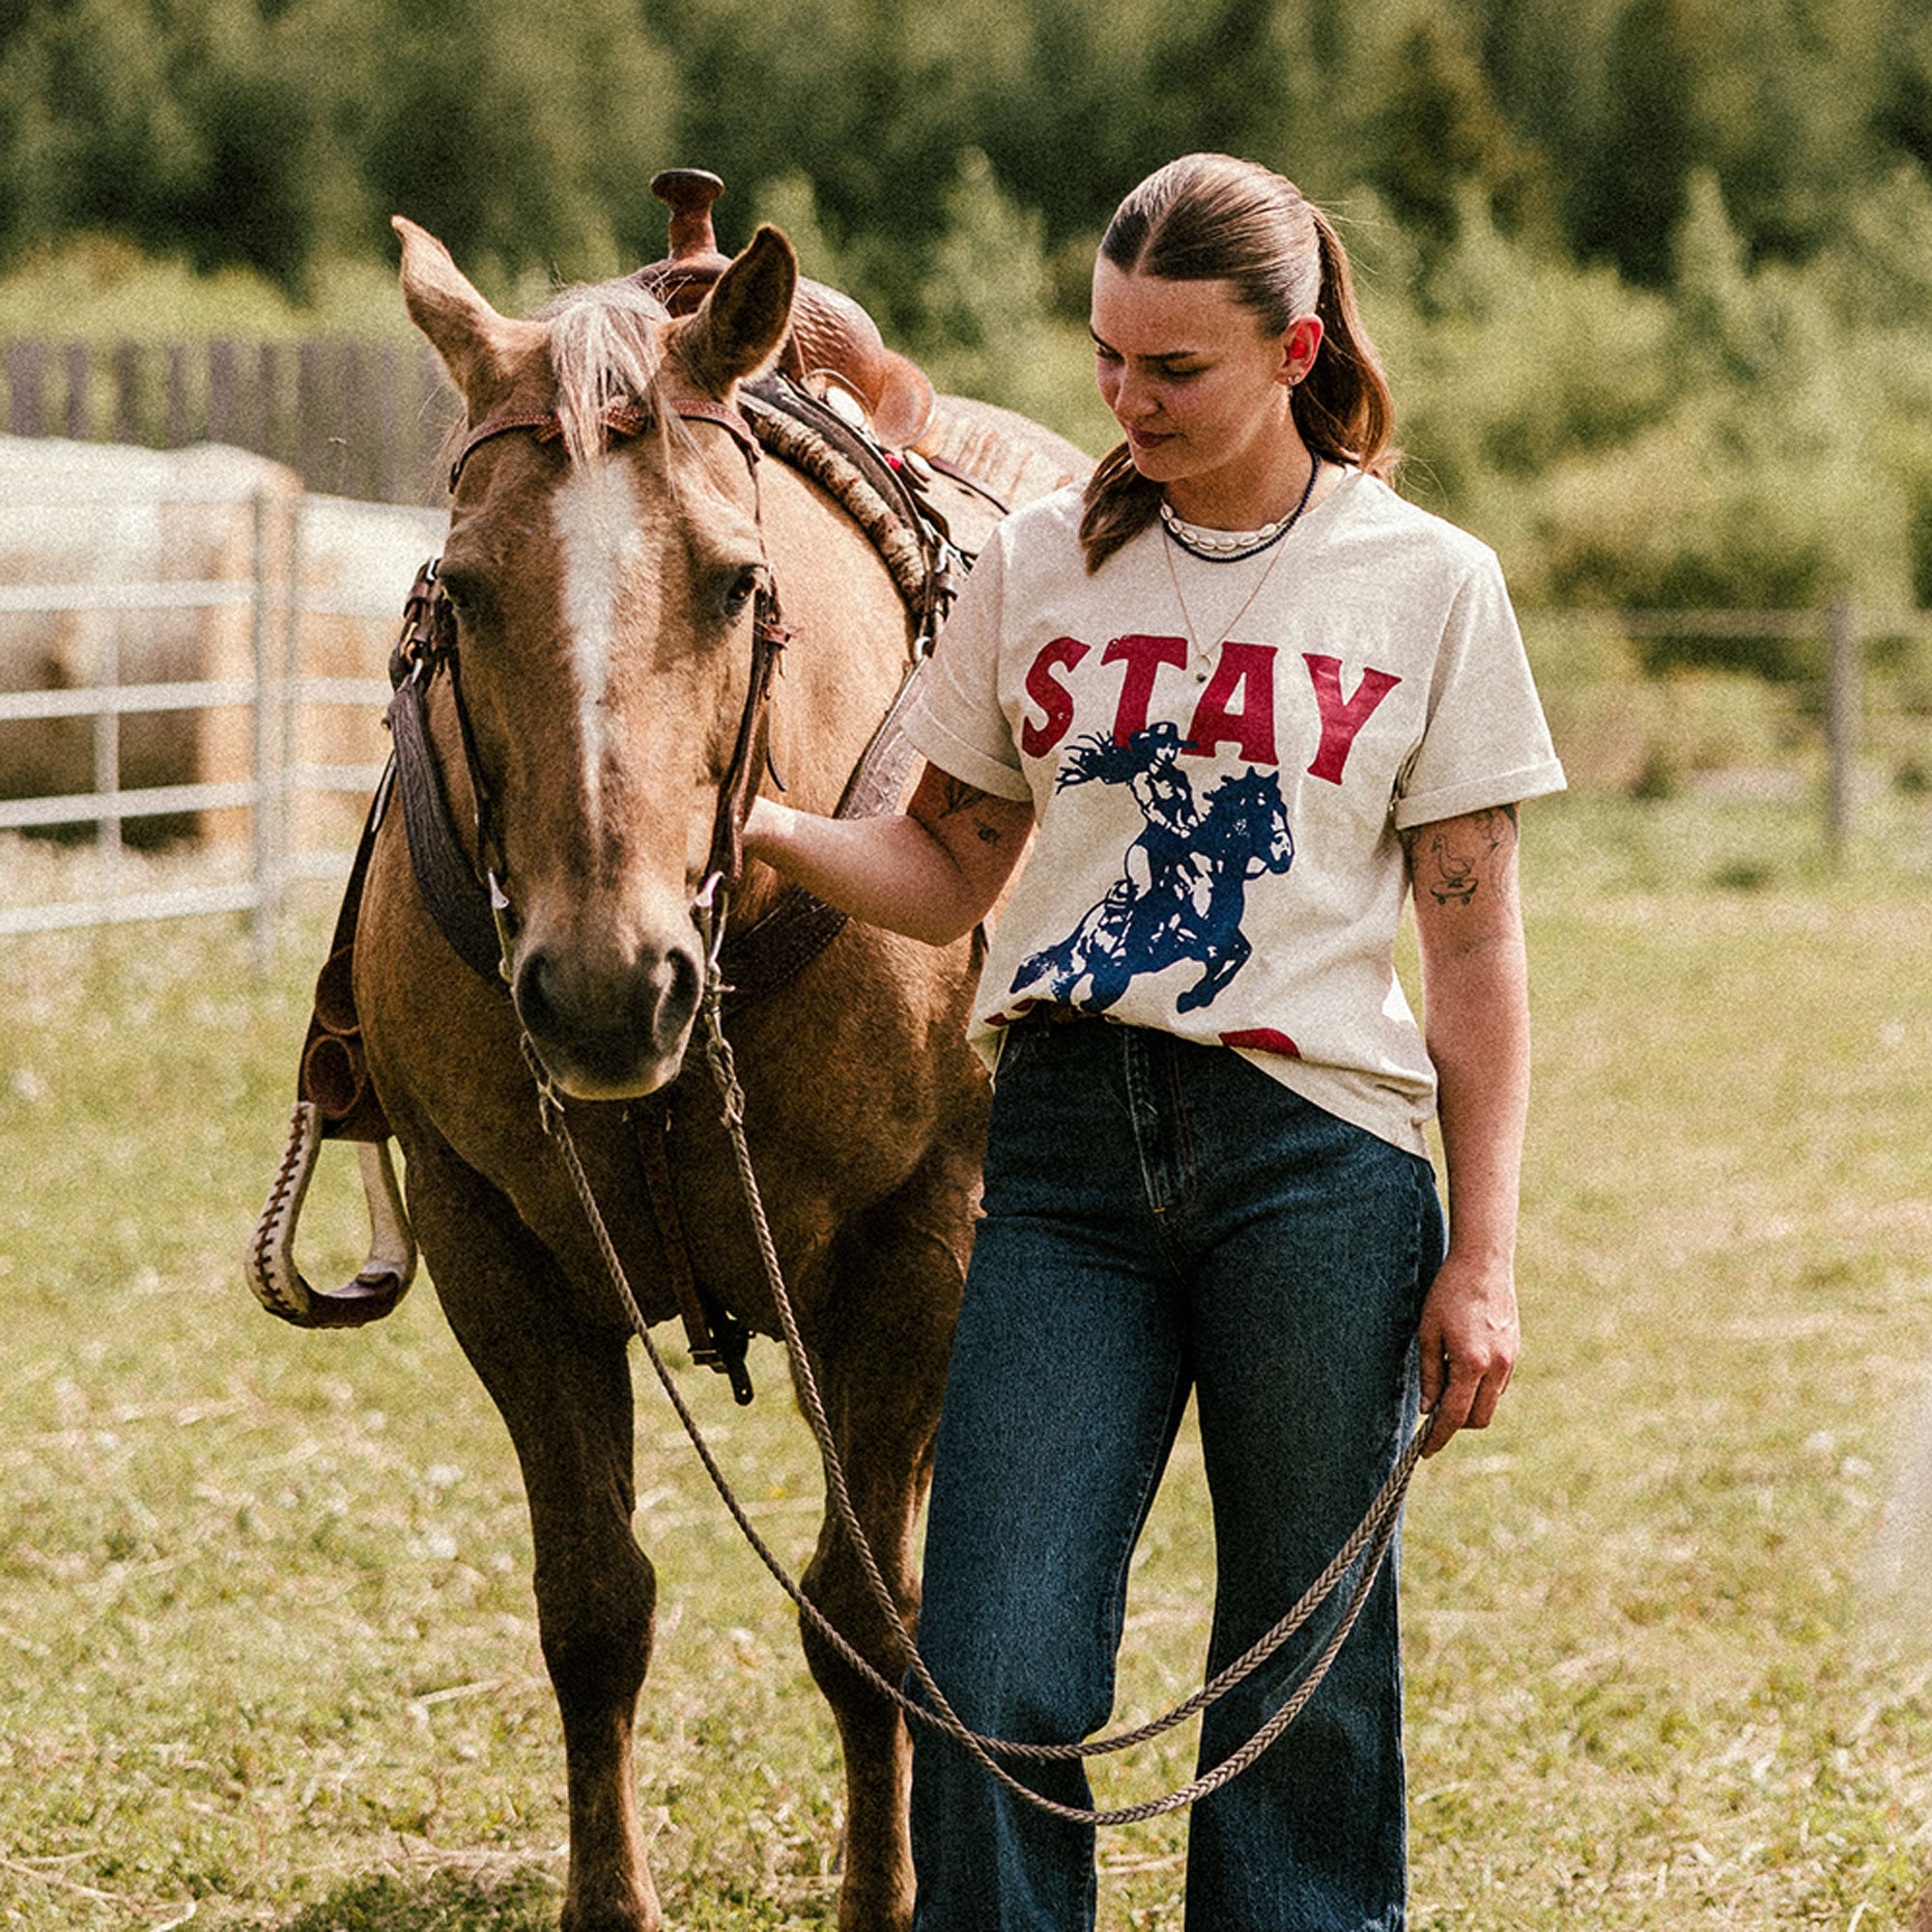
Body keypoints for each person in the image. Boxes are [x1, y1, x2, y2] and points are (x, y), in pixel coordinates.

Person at [743, 152, 1566, 1932]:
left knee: (1298, 1674)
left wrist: (1483, 1255)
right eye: (1107, 356)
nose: (1124, 400)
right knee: (993, 1659)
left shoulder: (1427, 583)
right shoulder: (1039, 561)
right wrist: (767, 827)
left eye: (1173, 368)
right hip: (1063, 1157)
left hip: (1319, 1165)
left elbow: (1477, 946)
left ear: (1296, 348)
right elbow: (955, 865)